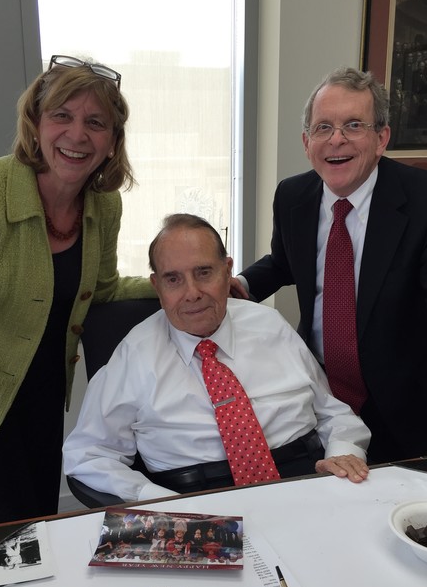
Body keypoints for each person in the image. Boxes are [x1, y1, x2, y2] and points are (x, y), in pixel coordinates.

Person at [0, 55, 154, 559]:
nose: (77, 135)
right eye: (62, 116)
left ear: (112, 141)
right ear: (35, 124)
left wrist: (178, 283)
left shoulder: (104, 205)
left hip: (46, 402)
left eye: (95, 123)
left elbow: (100, 291)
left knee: (37, 538)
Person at [231, 66, 427, 467]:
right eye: (323, 127)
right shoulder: (292, 196)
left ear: (382, 139)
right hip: (319, 396)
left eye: (353, 125)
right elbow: (285, 262)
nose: (337, 139)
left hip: (405, 402)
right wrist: (239, 283)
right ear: (307, 142)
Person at [63, 213, 370, 502]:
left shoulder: (270, 325)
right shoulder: (135, 353)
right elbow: (88, 453)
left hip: (306, 482)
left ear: (227, 270)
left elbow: (334, 414)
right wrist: (155, 499)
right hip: (194, 500)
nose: (192, 292)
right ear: (157, 287)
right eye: (173, 279)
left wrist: (341, 455)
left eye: (204, 272)